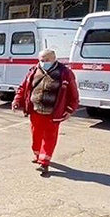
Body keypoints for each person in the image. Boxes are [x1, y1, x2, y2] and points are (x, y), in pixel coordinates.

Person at [12, 49, 79, 177]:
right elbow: (23, 87)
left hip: (53, 112)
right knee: (36, 134)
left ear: (54, 59)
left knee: (49, 136)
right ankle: (37, 155)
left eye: (46, 60)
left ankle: (44, 162)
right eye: (41, 60)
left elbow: (73, 93)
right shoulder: (33, 70)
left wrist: (70, 109)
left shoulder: (65, 73)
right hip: (35, 110)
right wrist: (17, 100)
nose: (43, 62)